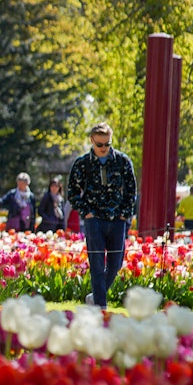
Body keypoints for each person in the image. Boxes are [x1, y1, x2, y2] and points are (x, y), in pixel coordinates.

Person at [67, 122, 137, 310]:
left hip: (117, 220)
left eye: (107, 143)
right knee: (97, 266)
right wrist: (86, 213)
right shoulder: (82, 163)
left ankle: (95, 296)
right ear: (92, 141)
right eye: (99, 144)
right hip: (94, 220)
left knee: (115, 264)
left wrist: (124, 215)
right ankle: (100, 307)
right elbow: (72, 192)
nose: (104, 148)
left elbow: (131, 191)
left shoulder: (122, 161)